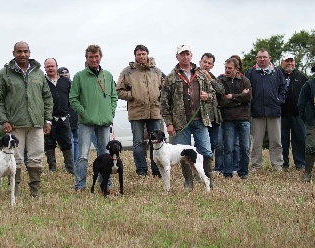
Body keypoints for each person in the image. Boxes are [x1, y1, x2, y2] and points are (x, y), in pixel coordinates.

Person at [0, 41, 53, 198]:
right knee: (15, 159)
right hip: (14, 124)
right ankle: (15, 192)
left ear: (30, 52)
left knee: (36, 157)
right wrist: (3, 120)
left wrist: (48, 120)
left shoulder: (38, 73)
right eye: (19, 51)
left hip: (36, 123)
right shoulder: (4, 73)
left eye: (25, 51)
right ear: (13, 53)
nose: (23, 54)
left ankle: (35, 192)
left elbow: (47, 97)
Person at [161, 45, 215, 190]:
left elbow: (213, 94)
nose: (185, 57)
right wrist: (169, 123)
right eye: (182, 54)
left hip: (200, 120)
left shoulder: (201, 75)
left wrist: (207, 96)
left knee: (206, 152)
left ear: (191, 56)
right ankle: (188, 184)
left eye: (187, 54)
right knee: (183, 155)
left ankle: (209, 182)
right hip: (180, 123)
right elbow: (164, 102)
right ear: (177, 57)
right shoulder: (171, 77)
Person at [69, 44, 117, 193]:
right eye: (91, 57)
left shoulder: (108, 75)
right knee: (83, 155)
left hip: (104, 122)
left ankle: (105, 185)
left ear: (100, 57)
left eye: (96, 56)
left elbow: (114, 96)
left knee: (105, 156)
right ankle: (80, 186)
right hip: (86, 122)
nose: (94, 59)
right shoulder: (79, 76)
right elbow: (73, 98)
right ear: (87, 58)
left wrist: (111, 112)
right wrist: (83, 113)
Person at [116, 44, 163, 177]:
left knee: (156, 142)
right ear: (135, 56)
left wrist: (158, 98)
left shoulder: (156, 71)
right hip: (136, 112)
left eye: (143, 54)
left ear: (147, 54)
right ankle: (141, 170)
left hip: (154, 111)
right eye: (139, 54)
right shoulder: (127, 71)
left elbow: (164, 89)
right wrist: (133, 96)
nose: (141, 56)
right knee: (138, 142)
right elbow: (119, 91)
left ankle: (156, 169)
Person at [246, 48, 287, 172]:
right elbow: (247, 89)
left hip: (274, 111)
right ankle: (256, 166)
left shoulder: (277, 72)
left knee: (276, 141)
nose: (262, 59)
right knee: (256, 142)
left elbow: (283, 88)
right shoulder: (251, 72)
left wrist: (279, 100)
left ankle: (277, 165)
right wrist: (251, 103)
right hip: (257, 112)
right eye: (260, 57)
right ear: (256, 58)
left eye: (265, 57)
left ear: (270, 58)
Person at [218, 58, 252, 179]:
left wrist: (232, 97)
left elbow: (248, 98)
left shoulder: (245, 81)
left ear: (236, 69)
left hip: (243, 119)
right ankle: (227, 173)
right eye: (226, 67)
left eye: (230, 68)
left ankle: (243, 173)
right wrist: (239, 98)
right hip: (228, 119)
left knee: (245, 147)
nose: (227, 70)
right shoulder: (221, 81)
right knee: (228, 148)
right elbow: (221, 101)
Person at [43, 59, 74, 174]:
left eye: (52, 66)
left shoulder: (66, 81)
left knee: (66, 143)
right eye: (48, 66)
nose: (50, 68)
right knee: (49, 144)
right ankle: (52, 168)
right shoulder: (42, 82)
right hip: (49, 119)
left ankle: (70, 168)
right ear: (45, 68)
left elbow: (71, 97)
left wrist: (67, 110)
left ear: (57, 67)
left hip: (64, 118)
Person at [279, 53, 307, 170]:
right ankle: (283, 164)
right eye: (287, 61)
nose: (290, 63)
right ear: (282, 63)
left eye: (292, 61)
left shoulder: (301, 77)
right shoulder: (277, 75)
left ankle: (300, 163)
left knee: (299, 139)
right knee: (282, 141)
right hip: (281, 114)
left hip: (298, 115)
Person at [198, 53, 224, 162]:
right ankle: (199, 166)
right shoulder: (194, 75)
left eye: (209, 63)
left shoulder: (213, 77)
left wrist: (210, 80)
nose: (206, 65)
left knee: (213, 144)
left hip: (214, 117)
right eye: (205, 62)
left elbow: (221, 91)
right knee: (202, 145)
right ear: (200, 62)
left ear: (212, 66)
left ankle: (207, 166)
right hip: (202, 117)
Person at [58, 67, 79, 165]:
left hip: (75, 116)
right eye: (63, 74)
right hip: (67, 117)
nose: (65, 75)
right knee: (72, 141)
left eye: (67, 73)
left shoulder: (73, 85)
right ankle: (72, 163)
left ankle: (74, 163)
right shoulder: (61, 87)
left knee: (75, 141)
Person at [298, 66, 315, 182]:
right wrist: (306, 118)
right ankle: (307, 174)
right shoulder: (309, 85)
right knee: (311, 147)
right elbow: (301, 104)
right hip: (312, 121)